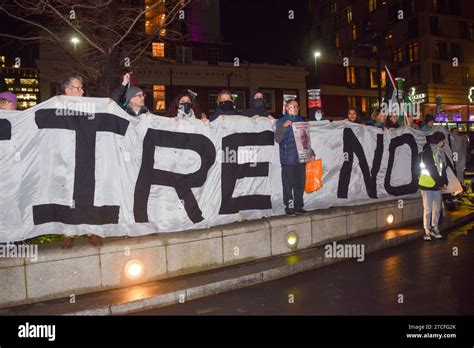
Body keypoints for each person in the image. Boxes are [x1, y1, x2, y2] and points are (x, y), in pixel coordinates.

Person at [59, 75, 103, 248]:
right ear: (68, 90)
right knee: (67, 195)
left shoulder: (88, 108)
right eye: (79, 88)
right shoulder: (56, 107)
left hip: (85, 158)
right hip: (64, 160)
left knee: (87, 193)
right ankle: (69, 233)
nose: (83, 91)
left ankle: (90, 231)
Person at [274, 99, 310, 216]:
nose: (294, 108)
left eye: (296, 106)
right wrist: (283, 127)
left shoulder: (301, 121)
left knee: (300, 183)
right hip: (288, 159)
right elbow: (277, 139)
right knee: (288, 185)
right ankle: (289, 207)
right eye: (291, 106)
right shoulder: (281, 121)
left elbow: (305, 139)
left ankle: (299, 206)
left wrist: (311, 152)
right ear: (286, 108)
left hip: (301, 158)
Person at [418, 131, 448, 241]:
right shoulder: (427, 153)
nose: (444, 142)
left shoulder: (439, 152)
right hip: (427, 184)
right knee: (428, 208)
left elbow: (442, 168)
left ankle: (435, 227)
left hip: (436, 184)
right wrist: (440, 182)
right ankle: (427, 230)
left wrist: (445, 181)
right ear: (439, 141)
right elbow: (431, 169)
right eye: (443, 140)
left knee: (437, 208)